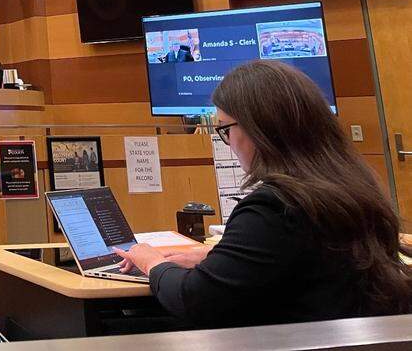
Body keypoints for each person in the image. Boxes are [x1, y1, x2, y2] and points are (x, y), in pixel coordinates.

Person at [115, 60, 412, 328]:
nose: (227, 141)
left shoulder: (273, 206)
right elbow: (302, 258)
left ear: (259, 129)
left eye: (225, 129)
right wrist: (215, 255)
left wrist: (151, 262)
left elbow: (195, 300)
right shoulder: (352, 185)